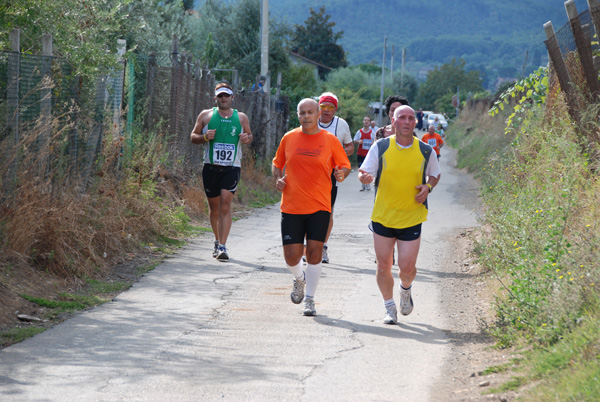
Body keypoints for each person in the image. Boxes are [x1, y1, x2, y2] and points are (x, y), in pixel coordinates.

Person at [358, 105, 441, 324]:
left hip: (411, 217)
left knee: (407, 268)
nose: (406, 121)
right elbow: (365, 172)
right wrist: (364, 178)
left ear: (416, 123)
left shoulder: (425, 150)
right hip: (383, 216)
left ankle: (405, 290)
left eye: (410, 118)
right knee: (383, 265)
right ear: (393, 123)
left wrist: (428, 187)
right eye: (401, 118)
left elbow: (434, 174)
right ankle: (389, 307)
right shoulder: (381, 146)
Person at [272, 98, 351, 316]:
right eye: (302, 113)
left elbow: (345, 165)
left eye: (310, 112)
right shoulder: (289, 138)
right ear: (298, 116)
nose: (306, 116)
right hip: (291, 206)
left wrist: (341, 174)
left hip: (319, 206)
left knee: (314, 254)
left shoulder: (330, 140)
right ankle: (299, 278)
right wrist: (278, 178)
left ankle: (310, 299)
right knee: (291, 257)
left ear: (318, 115)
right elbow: (277, 163)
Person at [190, 82, 252, 261]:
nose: (223, 98)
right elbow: (193, 136)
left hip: (232, 168)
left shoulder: (241, 118)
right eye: (220, 95)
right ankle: (217, 240)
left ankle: (223, 246)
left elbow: (249, 135)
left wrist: (246, 138)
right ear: (215, 98)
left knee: (226, 204)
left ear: (233, 97)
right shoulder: (206, 115)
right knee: (214, 208)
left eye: (226, 95)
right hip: (210, 168)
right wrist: (204, 137)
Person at [317, 92, 354, 263]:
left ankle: (323, 247)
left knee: (328, 211)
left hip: (330, 175)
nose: (326, 110)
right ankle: (307, 246)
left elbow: (350, 147)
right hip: (309, 173)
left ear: (335, 109)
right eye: (323, 106)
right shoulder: (310, 120)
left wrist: (336, 155)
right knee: (305, 210)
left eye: (330, 107)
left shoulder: (341, 124)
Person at [353, 116, 375, 191]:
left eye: (368, 120)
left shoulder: (372, 133)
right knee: (361, 170)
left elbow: (375, 142)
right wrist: (358, 142)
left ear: (369, 122)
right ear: (363, 121)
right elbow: (355, 141)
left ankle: (367, 184)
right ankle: (363, 184)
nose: (366, 121)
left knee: (367, 170)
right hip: (360, 154)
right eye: (365, 120)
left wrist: (373, 144)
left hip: (368, 155)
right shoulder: (359, 132)